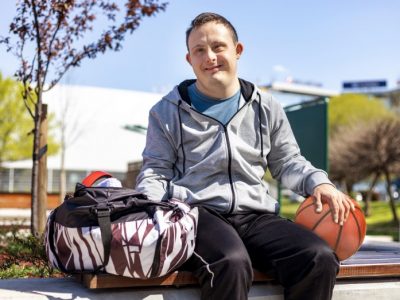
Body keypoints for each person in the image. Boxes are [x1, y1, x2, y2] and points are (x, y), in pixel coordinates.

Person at [136, 12, 355, 300]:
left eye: (218, 47)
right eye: (199, 50)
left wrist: (319, 184)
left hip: (255, 216)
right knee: (232, 262)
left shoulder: (266, 106)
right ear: (190, 61)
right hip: (198, 215)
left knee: (319, 257)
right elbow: (155, 172)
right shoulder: (165, 112)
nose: (209, 57)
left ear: (237, 51)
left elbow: (287, 161)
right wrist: (145, 212)